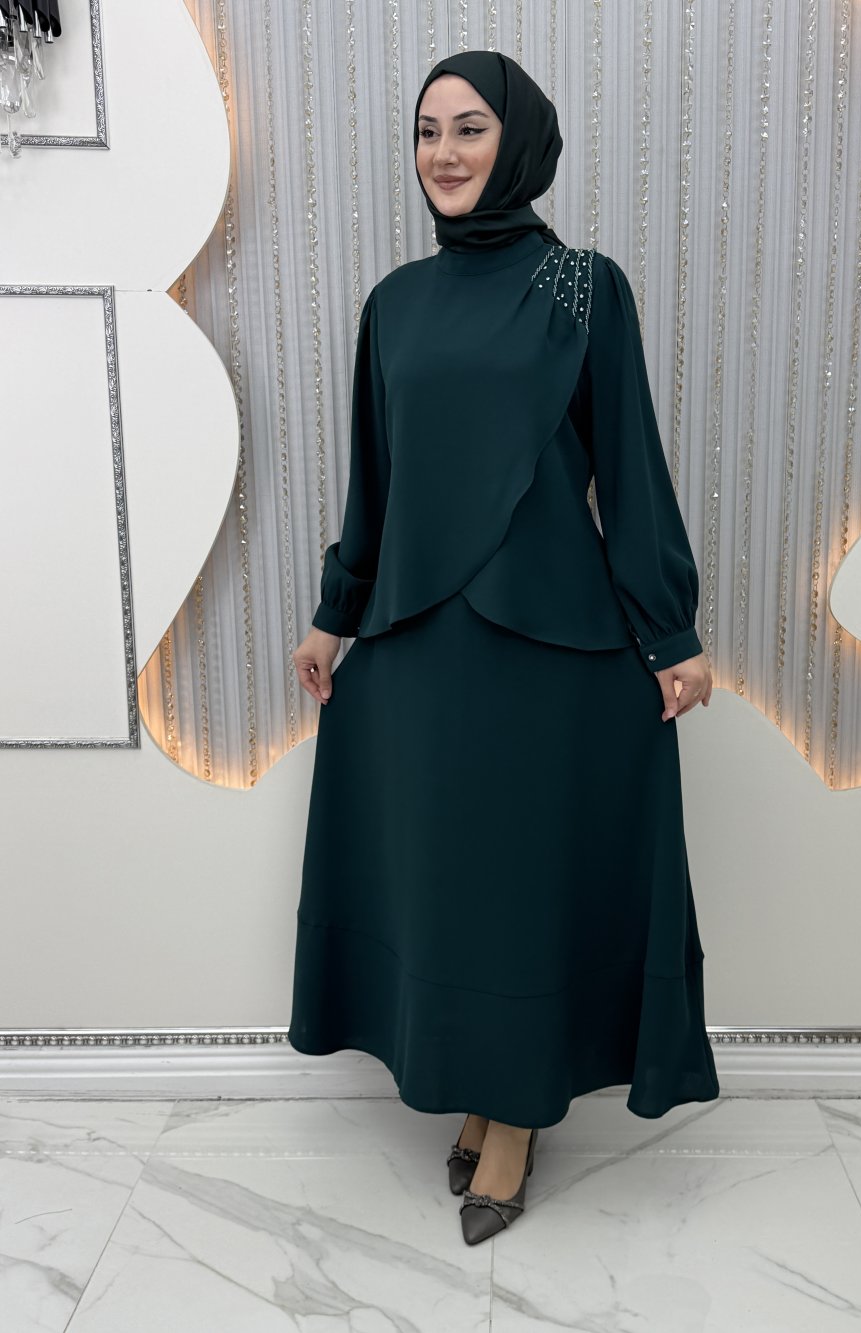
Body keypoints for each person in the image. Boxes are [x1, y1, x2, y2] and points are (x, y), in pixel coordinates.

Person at [288, 49, 719, 1246]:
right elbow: (376, 482)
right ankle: (480, 1089)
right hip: (419, 647)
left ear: (518, 139)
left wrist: (670, 629)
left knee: (522, 883)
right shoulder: (394, 304)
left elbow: (628, 463)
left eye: (469, 127)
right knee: (451, 883)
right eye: (427, 131)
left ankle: (517, 1115)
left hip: (549, 644)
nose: (444, 152)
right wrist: (335, 611)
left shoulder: (582, 286)